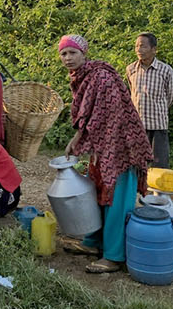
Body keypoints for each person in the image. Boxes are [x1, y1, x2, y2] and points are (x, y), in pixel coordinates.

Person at [59, 34, 152, 274]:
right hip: (103, 145)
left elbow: (106, 116)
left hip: (121, 147)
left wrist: (79, 138)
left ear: (84, 53)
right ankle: (94, 243)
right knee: (97, 192)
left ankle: (113, 256)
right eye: (63, 53)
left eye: (72, 53)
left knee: (116, 199)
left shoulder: (102, 76)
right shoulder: (82, 77)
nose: (68, 58)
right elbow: (88, 115)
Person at [125, 32, 173, 168]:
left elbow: (170, 98)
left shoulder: (166, 71)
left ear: (154, 49)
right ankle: (138, 189)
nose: (138, 50)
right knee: (136, 163)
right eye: (136, 46)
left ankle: (158, 190)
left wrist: (159, 108)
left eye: (143, 46)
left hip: (158, 124)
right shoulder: (131, 69)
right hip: (137, 125)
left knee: (159, 164)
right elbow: (132, 94)